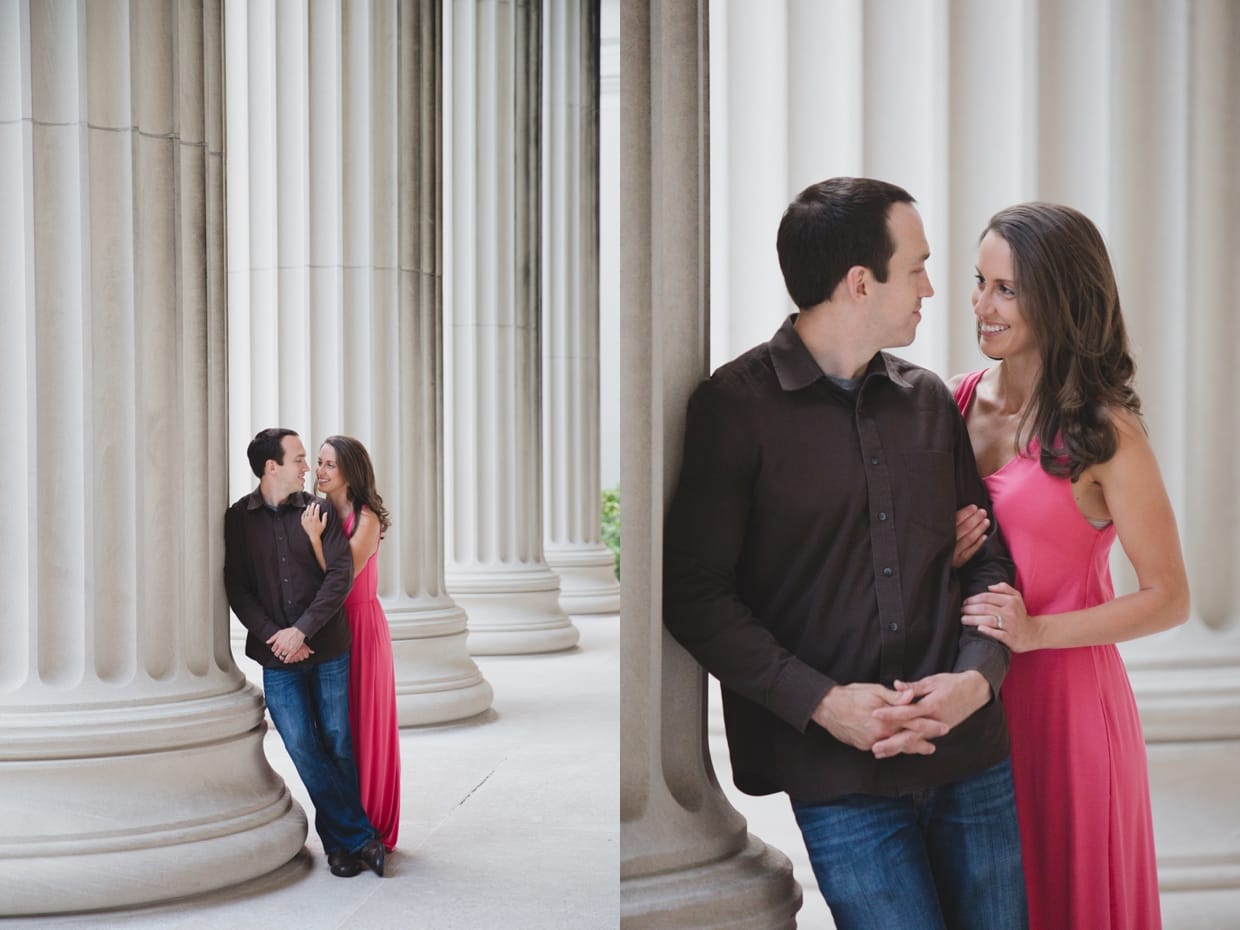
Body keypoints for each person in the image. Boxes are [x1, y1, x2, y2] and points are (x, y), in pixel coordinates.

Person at [663, 177, 1028, 929]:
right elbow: (694, 595)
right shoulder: (733, 410)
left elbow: (989, 562)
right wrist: (826, 705)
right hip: (836, 772)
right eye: (919, 266)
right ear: (861, 283)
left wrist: (975, 681)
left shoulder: (928, 399)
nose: (934, 288)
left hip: (971, 756)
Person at [949, 202, 1189, 930]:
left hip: (1068, 709)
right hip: (970, 700)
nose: (980, 304)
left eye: (1006, 289)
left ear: (1059, 298)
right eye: (979, 280)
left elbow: (1169, 597)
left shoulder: (1106, 433)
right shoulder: (950, 401)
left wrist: (1035, 634)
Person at [224, 427, 386, 879]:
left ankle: (339, 847)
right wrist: (279, 635)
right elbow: (237, 587)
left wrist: (302, 630)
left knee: (337, 741)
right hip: (277, 655)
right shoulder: (238, 518)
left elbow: (338, 577)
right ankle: (359, 837)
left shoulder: (318, 510)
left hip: (329, 645)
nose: (306, 468)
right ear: (270, 467)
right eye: (298, 458)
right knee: (300, 743)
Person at [301, 435, 401, 851]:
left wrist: (311, 539)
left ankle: (372, 825)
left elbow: (343, 575)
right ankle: (345, 826)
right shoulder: (315, 511)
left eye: (329, 465)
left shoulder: (367, 518)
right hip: (329, 626)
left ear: (350, 472)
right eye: (319, 463)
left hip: (361, 625)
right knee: (334, 732)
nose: (320, 472)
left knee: (363, 723)